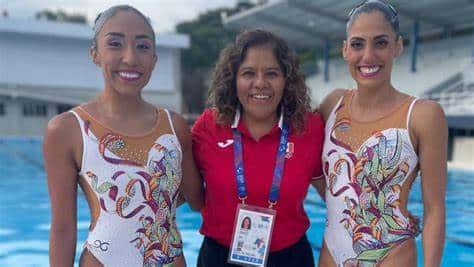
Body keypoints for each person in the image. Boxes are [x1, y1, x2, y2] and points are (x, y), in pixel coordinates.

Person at [43, 5, 201, 267]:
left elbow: (197, 200)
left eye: (142, 46)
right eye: (115, 44)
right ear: (95, 53)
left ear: (154, 59)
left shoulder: (175, 127)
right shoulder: (67, 130)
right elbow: (62, 228)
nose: (130, 58)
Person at [318, 1, 447, 266]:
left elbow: (434, 208)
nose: (368, 56)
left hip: (392, 256)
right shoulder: (332, 105)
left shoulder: (423, 115)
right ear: (344, 50)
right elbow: (300, 158)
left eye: (380, 43)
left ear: (397, 47)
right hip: (331, 254)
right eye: (357, 44)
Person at [190, 29, 325, 267]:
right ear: (233, 80)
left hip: (290, 258)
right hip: (220, 257)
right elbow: (184, 192)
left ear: (287, 80)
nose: (260, 83)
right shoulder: (210, 126)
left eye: (271, 73)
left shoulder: (309, 128)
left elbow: (335, 192)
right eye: (248, 73)